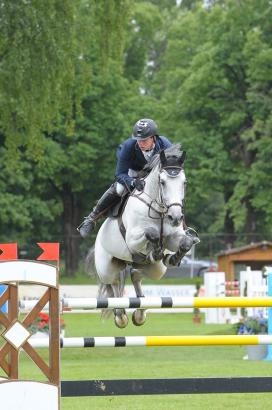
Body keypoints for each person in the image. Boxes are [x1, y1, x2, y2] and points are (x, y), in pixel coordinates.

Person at [77, 118, 172, 238]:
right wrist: (132, 182)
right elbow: (120, 174)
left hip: (154, 174)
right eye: (138, 140)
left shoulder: (165, 144)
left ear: (153, 137)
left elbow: (174, 166)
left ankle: (183, 227)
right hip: (133, 172)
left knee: (173, 189)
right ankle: (91, 219)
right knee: (119, 189)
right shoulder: (128, 146)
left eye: (144, 140)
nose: (140, 143)